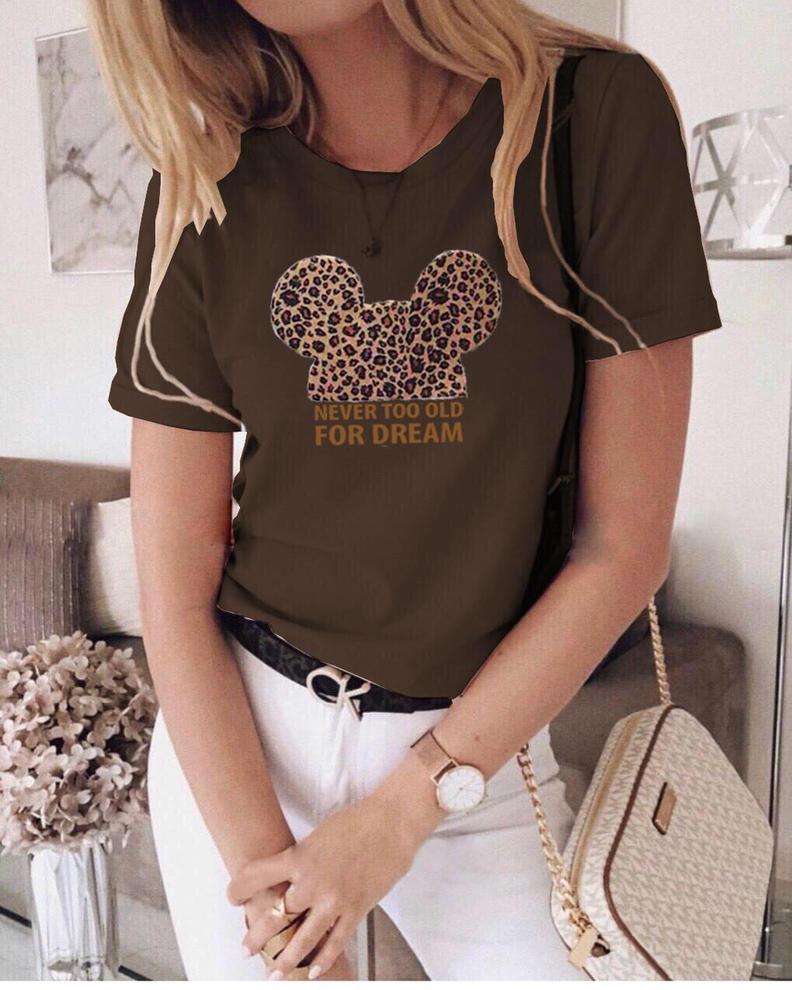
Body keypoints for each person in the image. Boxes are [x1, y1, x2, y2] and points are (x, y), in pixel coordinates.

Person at [87, 0, 722, 980]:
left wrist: (402, 812)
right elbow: (174, 593)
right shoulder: (204, 187)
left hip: (476, 758)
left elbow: (623, 547)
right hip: (241, 750)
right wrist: (278, 902)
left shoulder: (590, 117)